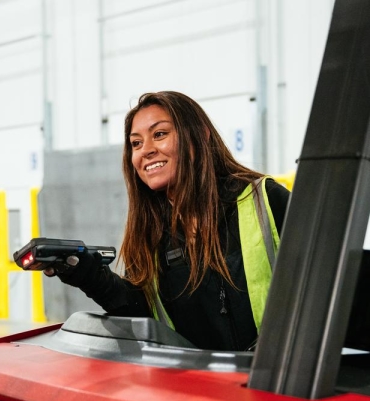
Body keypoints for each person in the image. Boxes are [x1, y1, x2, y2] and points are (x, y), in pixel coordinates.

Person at [44, 91, 290, 351]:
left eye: (159, 134)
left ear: (200, 134)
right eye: (136, 143)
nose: (146, 151)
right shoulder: (151, 234)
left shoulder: (264, 200)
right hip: (192, 385)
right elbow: (142, 314)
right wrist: (89, 274)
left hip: (273, 383)